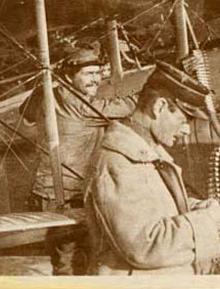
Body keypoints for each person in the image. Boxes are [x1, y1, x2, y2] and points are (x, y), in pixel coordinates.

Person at [84, 60, 220, 275]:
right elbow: (145, 246)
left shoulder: (144, 153)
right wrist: (209, 221)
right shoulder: (118, 162)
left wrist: (197, 208)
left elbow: (154, 207)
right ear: (159, 107)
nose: (186, 130)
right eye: (185, 120)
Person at [20, 47, 137, 275]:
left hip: (44, 191)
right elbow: (130, 106)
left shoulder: (45, 94)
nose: (96, 80)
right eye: (88, 74)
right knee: (74, 263)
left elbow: (25, 112)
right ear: (68, 76)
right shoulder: (81, 105)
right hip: (66, 196)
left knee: (70, 262)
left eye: (98, 73)